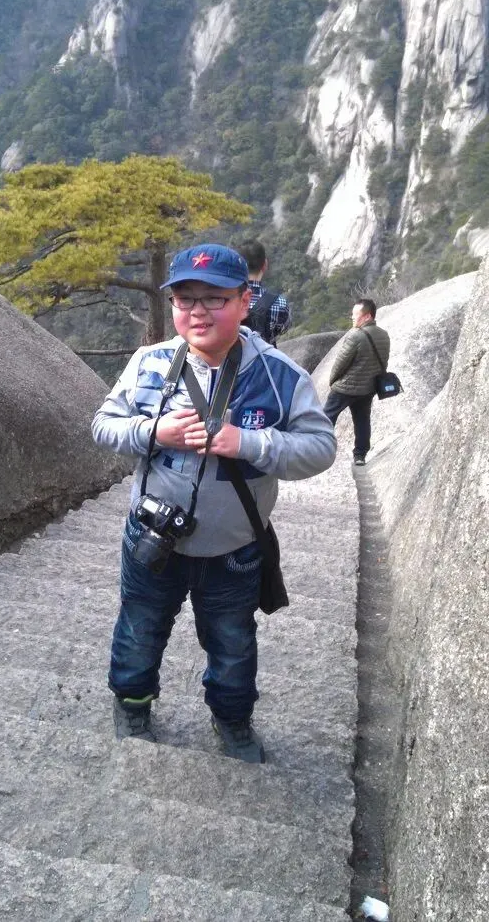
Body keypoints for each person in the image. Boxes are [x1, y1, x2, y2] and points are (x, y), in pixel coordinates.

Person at [91, 243, 336, 764]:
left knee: (232, 644)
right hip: (152, 537)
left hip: (234, 549)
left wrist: (248, 443)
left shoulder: (279, 375)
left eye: (214, 298)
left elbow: (321, 448)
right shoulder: (149, 363)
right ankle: (132, 705)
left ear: (245, 301)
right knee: (139, 629)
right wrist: (153, 432)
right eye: (185, 299)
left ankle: (232, 722)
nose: (197, 311)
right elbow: (103, 425)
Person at [324, 298, 391, 466]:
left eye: (355, 314)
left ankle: (320, 449)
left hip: (345, 388)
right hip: (367, 389)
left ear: (367, 316)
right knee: (362, 421)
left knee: (326, 417)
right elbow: (383, 362)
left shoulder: (355, 335)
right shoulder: (384, 335)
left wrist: (332, 381)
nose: (352, 317)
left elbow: (340, 363)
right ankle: (360, 455)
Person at [236, 240, 291, 345]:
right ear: (265, 264)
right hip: (265, 354)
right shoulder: (280, 303)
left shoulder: (226, 299)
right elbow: (283, 328)